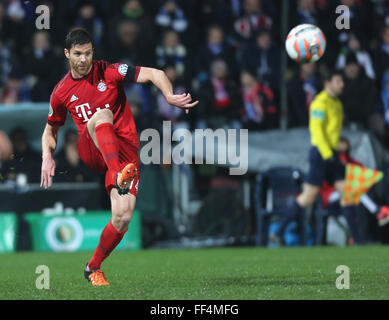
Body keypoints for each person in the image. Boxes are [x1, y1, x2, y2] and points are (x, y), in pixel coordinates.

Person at [40, 28, 198, 286]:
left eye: (88, 53)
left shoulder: (110, 71)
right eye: (78, 54)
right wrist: (47, 155)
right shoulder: (61, 92)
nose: (83, 60)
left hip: (124, 152)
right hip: (92, 149)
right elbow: (50, 129)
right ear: (67, 54)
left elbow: (155, 73)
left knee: (123, 217)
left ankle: (92, 267)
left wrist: (168, 95)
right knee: (102, 115)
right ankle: (116, 172)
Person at [270, 70, 361, 245]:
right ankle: (279, 231)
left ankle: (358, 241)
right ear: (328, 83)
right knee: (309, 196)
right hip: (321, 154)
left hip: (332, 153)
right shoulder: (319, 103)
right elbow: (317, 132)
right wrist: (328, 154)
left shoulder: (337, 104)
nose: (342, 85)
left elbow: (331, 131)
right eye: (338, 81)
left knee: (347, 192)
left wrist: (338, 147)